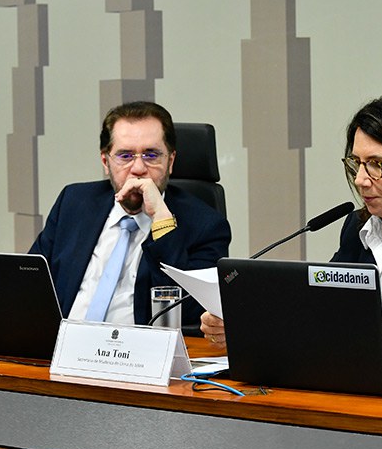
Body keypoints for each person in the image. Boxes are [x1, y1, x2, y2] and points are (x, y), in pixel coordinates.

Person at [202, 93, 382, 362]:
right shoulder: (357, 228)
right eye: (357, 163)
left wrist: (358, 334)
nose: (360, 180)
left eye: (377, 164)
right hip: (352, 379)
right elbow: (317, 309)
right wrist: (247, 326)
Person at [30, 101, 231, 326]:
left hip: (137, 355)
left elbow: (191, 312)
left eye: (151, 155)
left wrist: (161, 221)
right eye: (125, 156)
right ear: (106, 162)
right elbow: (29, 283)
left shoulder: (206, 225)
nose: (138, 169)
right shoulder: (74, 202)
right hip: (59, 350)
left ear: (171, 161)